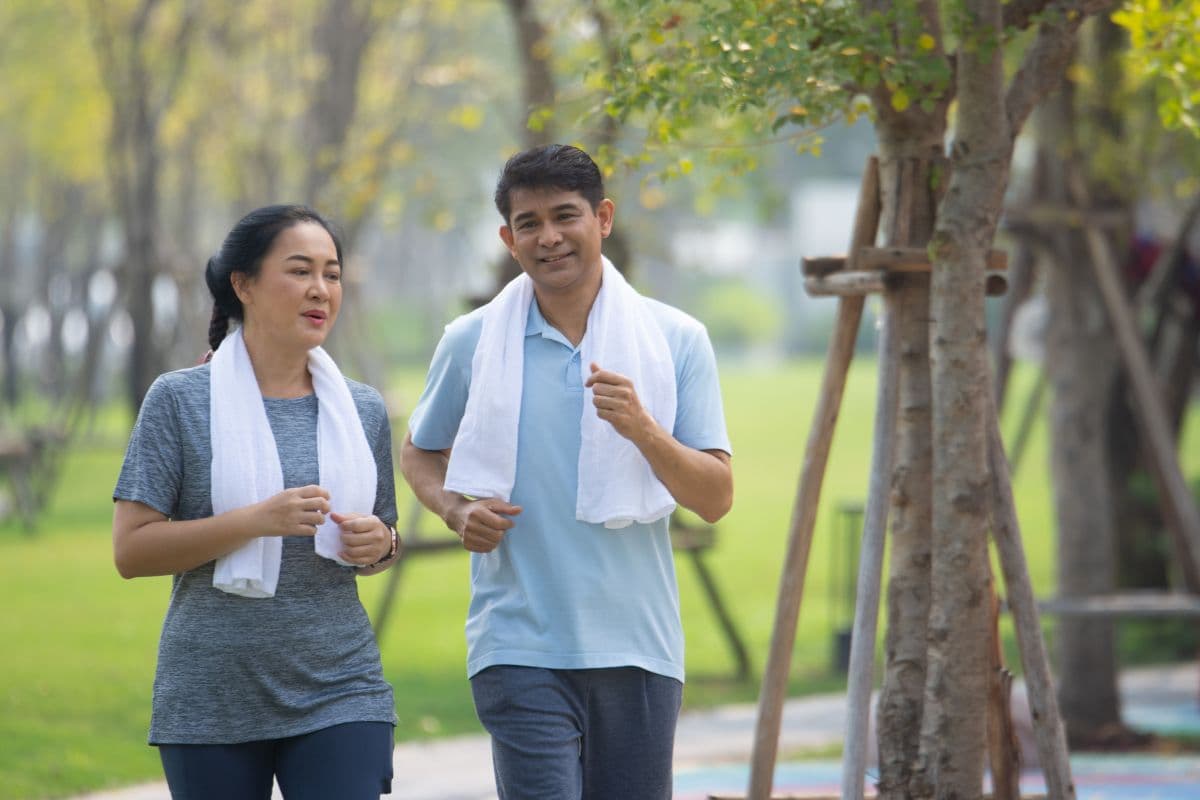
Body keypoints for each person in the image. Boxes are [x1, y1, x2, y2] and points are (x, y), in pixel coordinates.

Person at [400, 144, 733, 799]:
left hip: (639, 647)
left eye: (565, 216)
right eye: (529, 223)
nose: (548, 237)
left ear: (603, 218)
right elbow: (419, 450)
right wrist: (454, 508)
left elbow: (716, 497)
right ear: (508, 238)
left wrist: (642, 429)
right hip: (518, 642)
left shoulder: (676, 340)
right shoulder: (471, 341)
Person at [112, 205, 401, 800]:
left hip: (341, 685)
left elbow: (379, 541)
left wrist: (382, 544)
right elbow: (132, 550)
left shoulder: (361, 409)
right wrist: (253, 522)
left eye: (332, 273)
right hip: (210, 692)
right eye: (300, 271)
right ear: (242, 284)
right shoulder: (179, 401)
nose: (321, 289)